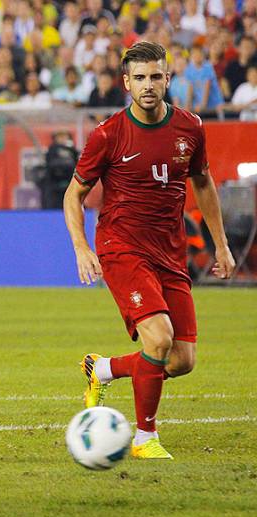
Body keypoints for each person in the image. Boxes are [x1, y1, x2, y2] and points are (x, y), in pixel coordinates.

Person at [63, 41, 235, 460]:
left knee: (181, 360)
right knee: (157, 339)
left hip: (169, 251)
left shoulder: (190, 128)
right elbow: (73, 194)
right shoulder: (108, 134)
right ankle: (144, 439)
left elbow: (204, 183)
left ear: (167, 79)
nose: (148, 85)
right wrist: (82, 247)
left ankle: (102, 369)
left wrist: (222, 245)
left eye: (156, 77)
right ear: (126, 83)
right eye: (139, 78)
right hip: (122, 246)